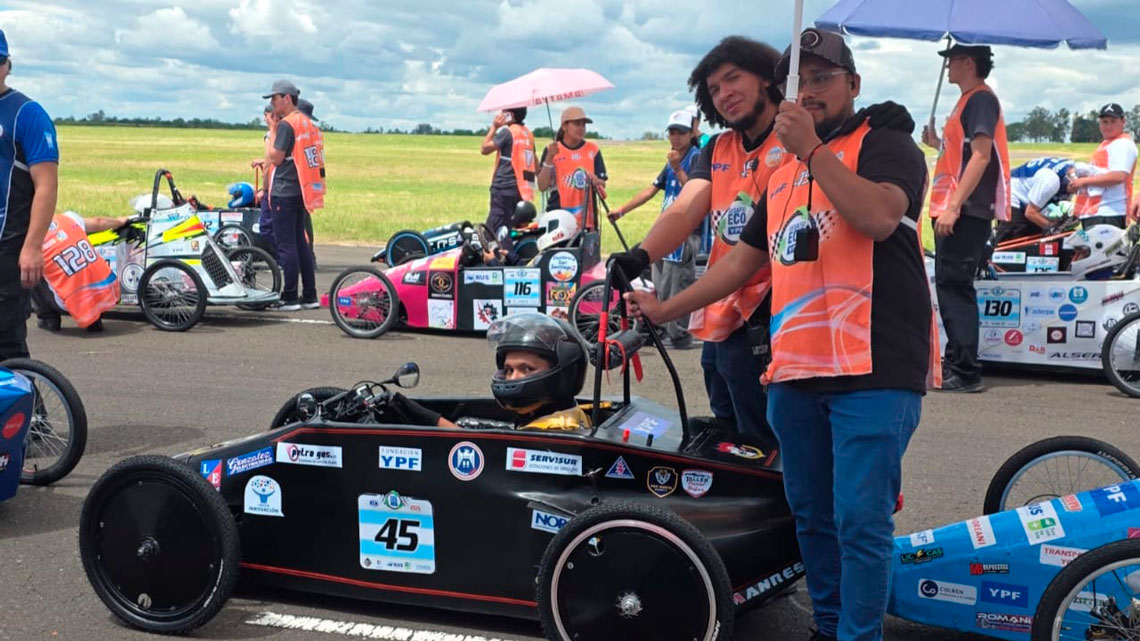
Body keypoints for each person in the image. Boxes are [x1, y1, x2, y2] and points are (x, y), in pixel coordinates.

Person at [625, 29, 936, 641]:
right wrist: (665, 310)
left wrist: (813, 150)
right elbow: (740, 264)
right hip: (794, 369)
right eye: (800, 81)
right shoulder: (784, 170)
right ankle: (827, 626)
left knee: (861, 521)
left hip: (873, 367)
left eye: (823, 78)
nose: (810, 91)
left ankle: (858, 636)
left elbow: (878, 217)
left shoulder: (887, 143)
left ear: (853, 84)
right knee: (811, 515)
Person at [922, 44, 1010, 394]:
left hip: (965, 210)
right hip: (958, 207)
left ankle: (965, 370)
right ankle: (957, 360)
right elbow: (962, 154)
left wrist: (954, 205)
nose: (947, 68)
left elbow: (981, 156)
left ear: (968, 63)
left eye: (952, 61)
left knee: (955, 287)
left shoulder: (980, 100)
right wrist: (937, 143)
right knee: (951, 285)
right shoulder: (968, 100)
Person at [392, 313, 590, 431]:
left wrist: (423, 416)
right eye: (509, 370)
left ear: (563, 374)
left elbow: (487, 450)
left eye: (527, 369)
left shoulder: (556, 430)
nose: (513, 378)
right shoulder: (560, 412)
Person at [609, 110, 704, 349]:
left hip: (684, 232)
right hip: (665, 230)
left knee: (677, 283)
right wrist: (622, 210)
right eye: (672, 132)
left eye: (681, 132)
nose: (676, 137)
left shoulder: (696, 157)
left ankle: (680, 335)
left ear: (691, 134)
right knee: (661, 283)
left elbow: (695, 190)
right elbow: (651, 190)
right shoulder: (671, 160)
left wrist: (678, 168)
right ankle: (664, 328)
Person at [0, 29, 59, 360]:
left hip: (8, 244)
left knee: (5, 341)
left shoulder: (27, 113)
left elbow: (46, 185)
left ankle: (26, 396)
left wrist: (33, 247)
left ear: (8, 65)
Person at [260, 80, 324, 311]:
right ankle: (309, 295)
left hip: (284, 191)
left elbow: (276, 158)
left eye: (274, 98)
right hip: (302, 189)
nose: (272, 104)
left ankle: (289, 296)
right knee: (301, 244)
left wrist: (273, 130)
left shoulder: (287, 125)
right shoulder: (307, 123)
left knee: (286, 245)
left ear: (286, 98)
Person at [32, 211, 127, 332]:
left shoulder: (31, 238)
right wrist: (120, 221)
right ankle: (94, 318)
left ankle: (48, 319)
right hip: (108, 291)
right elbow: (100, 222)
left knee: (29, 267)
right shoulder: (68, 217)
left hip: (71, 301)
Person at [537, 106, 607, 231]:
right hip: (558, 218)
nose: (581, 128)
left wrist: (596, 181)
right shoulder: (552, 150)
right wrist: (549, 158)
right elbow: (542, 186)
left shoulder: (593, 150)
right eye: (577, 124)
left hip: (587, 221)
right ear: (564, 126)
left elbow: (603, 184)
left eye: (583, 124)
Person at [994, 157, 1093, 243]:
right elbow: (1030, 213)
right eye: (1075, 190)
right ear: (1070, 182)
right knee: (1014, 236)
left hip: (1032, 193)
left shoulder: (1073, 170)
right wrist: (1055, 229)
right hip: (1013, 193)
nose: (1075, 194)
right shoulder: (1051, 181)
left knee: (1039, 235)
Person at [1070, 103, 1137, 228]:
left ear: (1123, 121)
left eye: (1113, 121)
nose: (1108, 126)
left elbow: (1118, 176)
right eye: (1104, 122)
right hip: (1097, 212)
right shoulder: (1108, 143)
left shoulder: (1122, 144)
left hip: (1108, 212)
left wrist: (1084, 181)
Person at [481, 107, 536, 251]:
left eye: (503, 113)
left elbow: (485, 149)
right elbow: (534, 161)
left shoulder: (507, 132)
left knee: (495, 228)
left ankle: (498, 257)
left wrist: (494, 127)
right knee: (512, 226)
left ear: (510, 115)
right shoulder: (528, 134)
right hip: (522, 189)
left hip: (504, 187)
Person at [297, 97, 321, 264]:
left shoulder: (301, 133)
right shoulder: (314, 132)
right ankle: (309, 255)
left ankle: (307, 256)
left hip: (301, 181)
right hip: (312, 180)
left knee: (300, 222)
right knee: (305, 220)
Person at [251, 104, 277, 252]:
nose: (265, 119)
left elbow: (269, 163)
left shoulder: (271, 135)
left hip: (275, 186)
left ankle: (279, 257)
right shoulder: (288, 131)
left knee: (266, 227)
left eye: (266, 115)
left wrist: (264, 190)